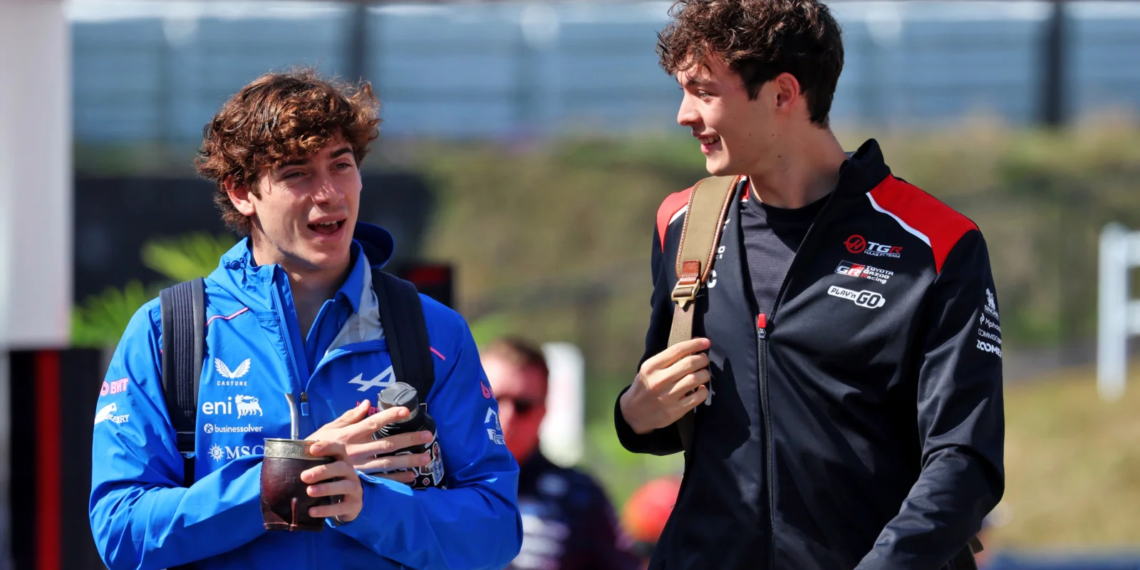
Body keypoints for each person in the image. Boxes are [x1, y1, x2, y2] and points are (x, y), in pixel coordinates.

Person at [614, 2, 1005, 569]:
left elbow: (965, 461)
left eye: (704, 92)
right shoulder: (682, 222)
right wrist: (633, 414)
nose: (683, 115)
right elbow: (665, 413)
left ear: (782, 94)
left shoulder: (938, 243)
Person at [89, 69, 522, 570]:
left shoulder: (433, 331)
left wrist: (369, 505)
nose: (330, 193)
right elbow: (120, 531)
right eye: (297, 173)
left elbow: (496, 529)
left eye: (341, 164)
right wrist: (293, 475)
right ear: (241, 192)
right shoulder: (168, 332)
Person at [483, 337, 640, 570]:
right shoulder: (436, 482)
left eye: (523, 405)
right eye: (494, 400)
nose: (506, 416)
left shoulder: (580, 496)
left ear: (543, 411)